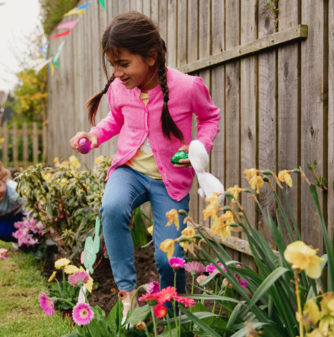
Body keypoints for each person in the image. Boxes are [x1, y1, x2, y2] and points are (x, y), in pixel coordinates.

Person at [69, 12, 220, 320]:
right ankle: (128, 294)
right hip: (130, 170)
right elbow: (116, 119)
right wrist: (94, 135)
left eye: (123, 64)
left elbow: (209, 118)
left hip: (172, 180)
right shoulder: (119, 88)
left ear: (151, 56)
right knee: (112, 207)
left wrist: (198, 148)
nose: (118, 72)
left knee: (168, 260)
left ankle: (174, 312)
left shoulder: (187, 87)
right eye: (113, 64)